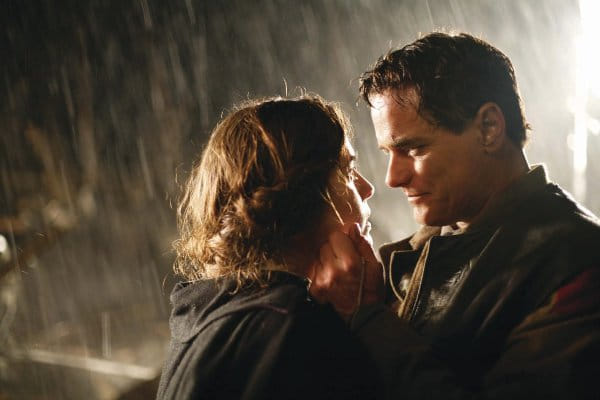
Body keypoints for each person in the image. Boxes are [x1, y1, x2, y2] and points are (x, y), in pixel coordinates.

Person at [309, 32, 600, 399]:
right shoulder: (418, 250)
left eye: (413, 149)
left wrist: (367, 317)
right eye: (387, 153)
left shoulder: (578, 260)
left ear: (489, 128)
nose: (392, 178)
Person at [156, 95, 383, 399]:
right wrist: (366, 319)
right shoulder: (298, 333)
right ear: (301, 198)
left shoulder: (205, 319)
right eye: (347, 171)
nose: (368, 189)